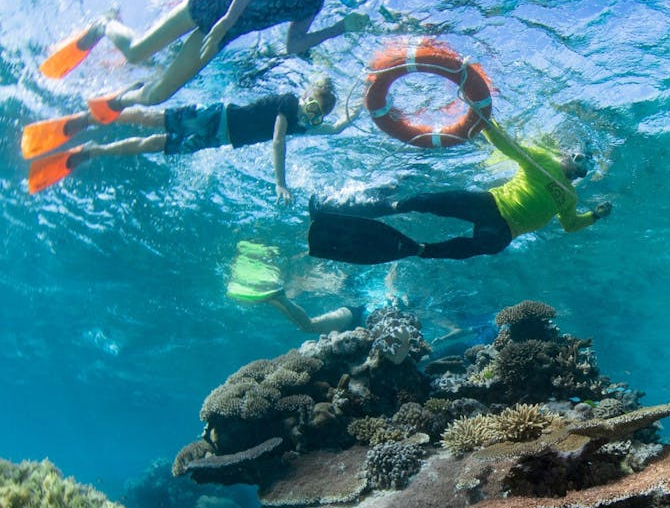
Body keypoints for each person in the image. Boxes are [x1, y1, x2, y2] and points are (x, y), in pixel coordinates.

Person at [39, 0, 372, 120]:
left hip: (225, 32)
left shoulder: (314, 5)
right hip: (217, 5)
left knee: (157, 96)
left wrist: (339, 28)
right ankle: (104, 24)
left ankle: (116, 99)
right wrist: (226, 19)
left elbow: (293, 44)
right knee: (137, 51)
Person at [306, 122, 612, 263]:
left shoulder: (571, 198)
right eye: (580, 158)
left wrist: (594, 217)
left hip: (505, 230)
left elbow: (570, 225)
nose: (581, 167)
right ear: (569, 154)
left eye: (587, 166)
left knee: (481, 246)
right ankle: (377, 207)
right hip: (491, 204)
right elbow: (507, 144)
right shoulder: (543, 160)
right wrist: (483, 119)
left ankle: (422, 250)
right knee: (426, 201)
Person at [26, 76, 355, 198]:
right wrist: (280, 182)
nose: (309, 116)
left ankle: (93, 150)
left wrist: (350, 116)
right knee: (152, 118)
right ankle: (90, 119)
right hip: (215, 115)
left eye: (315, 116)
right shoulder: (286, 102)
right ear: (306, 94)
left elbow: (335, 128)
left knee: (155, 144)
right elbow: (278, 141)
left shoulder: (303, 124)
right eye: (311, 106)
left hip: (215, 140)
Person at [227, 240, 363, 334]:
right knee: (309, 326)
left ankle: (275, 298)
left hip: (355, 312)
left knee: (307, 327)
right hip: (356, 313)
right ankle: (278, 298)